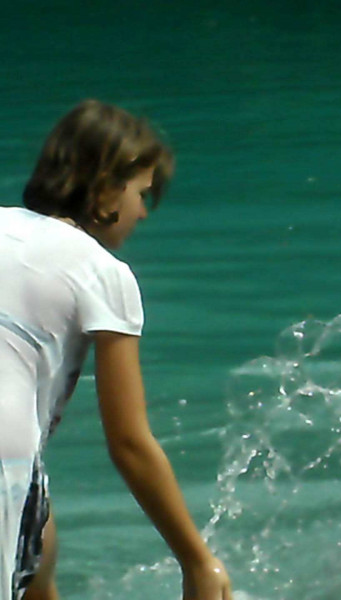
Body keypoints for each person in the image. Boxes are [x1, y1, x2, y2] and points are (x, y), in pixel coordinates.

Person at [0, 100, 231, 600]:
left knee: (38, 552)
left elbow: (35, 534)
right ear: (106, 188)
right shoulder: (102, 274)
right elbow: (129, 442)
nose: (143, 212)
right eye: (141, 193)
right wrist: (198, 561)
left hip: (18, 468)